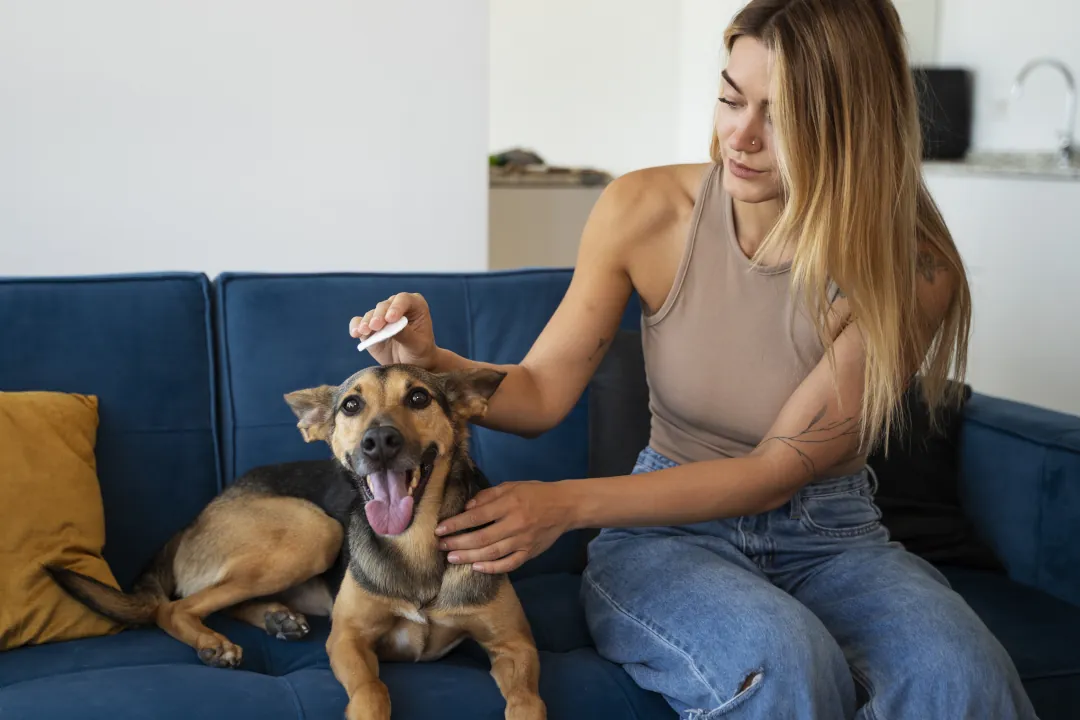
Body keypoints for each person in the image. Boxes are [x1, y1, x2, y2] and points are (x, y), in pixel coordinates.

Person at [349, 1, 1037, 717]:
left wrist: (563, 504)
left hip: (834, 537)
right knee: (783, 664)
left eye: (782, 116)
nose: (739, 136)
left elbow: (773, 474)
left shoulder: (912, 270)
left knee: (964, 679)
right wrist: (430, 361)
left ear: (853, 126)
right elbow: (543, 391)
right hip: (666, 538)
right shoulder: (644, 210)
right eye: (731, 97)